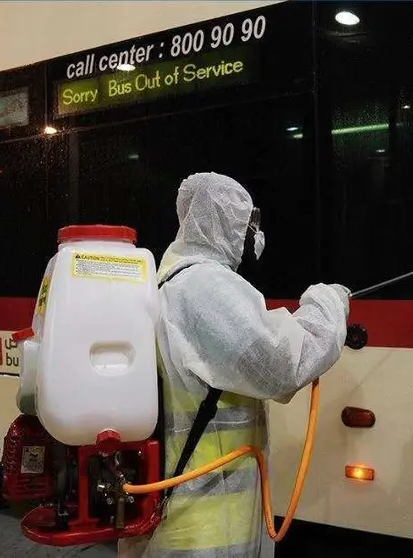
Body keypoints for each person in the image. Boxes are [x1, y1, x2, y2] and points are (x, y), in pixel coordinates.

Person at [118, 172, 350, 558]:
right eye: (248, 224)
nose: (254, 236)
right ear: (225, 223)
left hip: (180, 515)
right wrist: (327, 306)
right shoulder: (204, 288)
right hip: (204, 530)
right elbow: (279, 365)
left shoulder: (169, 281)